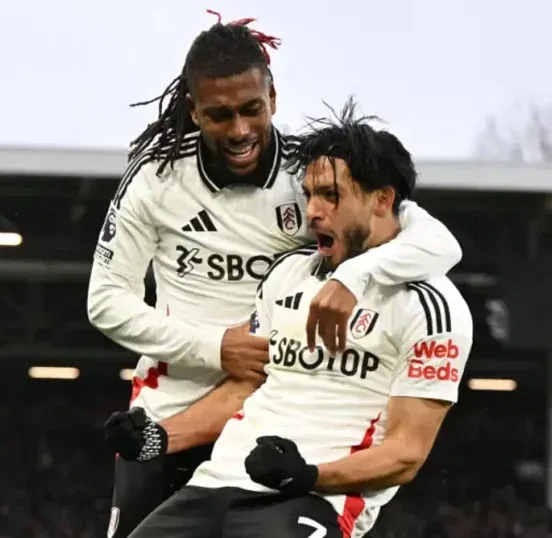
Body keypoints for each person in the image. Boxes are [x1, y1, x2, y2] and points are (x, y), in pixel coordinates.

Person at [88, 12, 463, 538]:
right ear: (195, 111)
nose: (240, 130)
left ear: (273, 99)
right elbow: (105, 301)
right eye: (220, 115)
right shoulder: (157, 177)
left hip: (278, 414)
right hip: (176, 408)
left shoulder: (308, 173)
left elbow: (433, 239)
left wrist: (351, 280)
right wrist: (216, 347)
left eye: (252, 110)